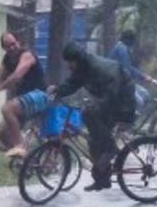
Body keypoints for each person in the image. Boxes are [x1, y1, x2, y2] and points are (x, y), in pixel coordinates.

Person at [48, 42, 137, 192]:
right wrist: (57, 91)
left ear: (78, 59)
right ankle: (102, 179)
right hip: (110, 99)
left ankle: (111, 149)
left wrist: (100, 104)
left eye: (71, 62)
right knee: (94, 140)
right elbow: (72, 83)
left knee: (90, 115)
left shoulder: (99, 68)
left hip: (123, 100)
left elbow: (112, 91)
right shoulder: (83, 68)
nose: (69, 65)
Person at [0, 32, 48, 158]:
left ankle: (19, 146)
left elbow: (17, 75)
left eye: (13, 44)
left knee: (7, 108)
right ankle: (26, 162)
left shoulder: (27, 55)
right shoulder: (7, 60)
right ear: (3, 48)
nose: (12, 48)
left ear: (18, 42)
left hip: (39, 96)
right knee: (1, 135)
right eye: (8, 46)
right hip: (24, 101)